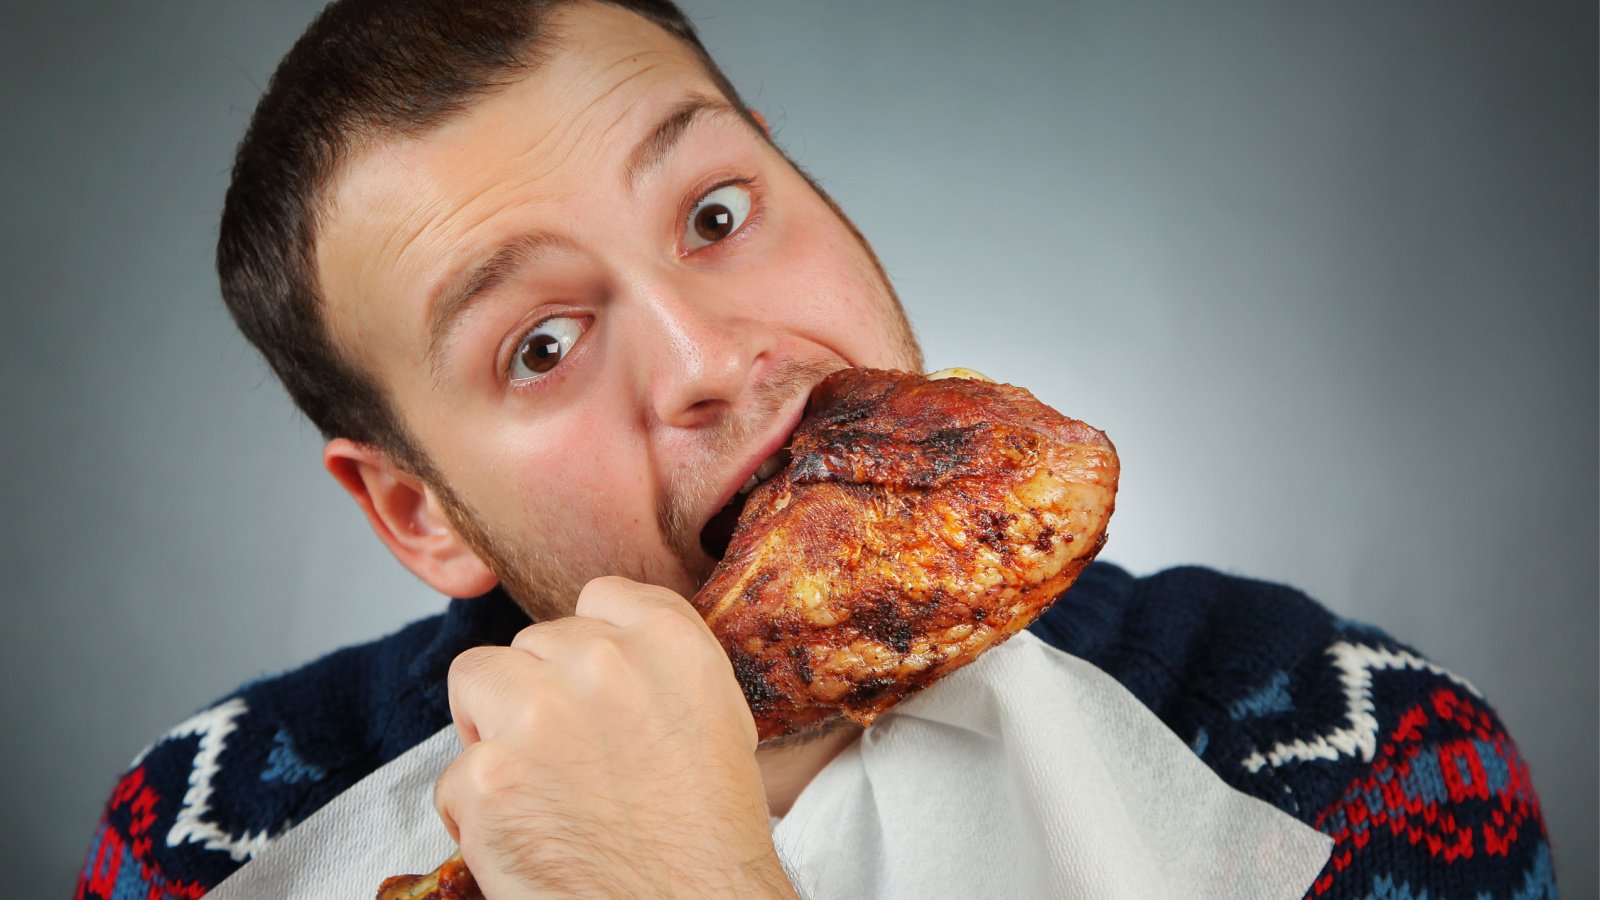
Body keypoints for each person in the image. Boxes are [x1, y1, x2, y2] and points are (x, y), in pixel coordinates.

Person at [75, 1, 1555, 897]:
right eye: (539, 343)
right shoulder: (215, 833)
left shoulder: (1354, 757)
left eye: (718, 215)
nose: (717, 359)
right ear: (415, 511)